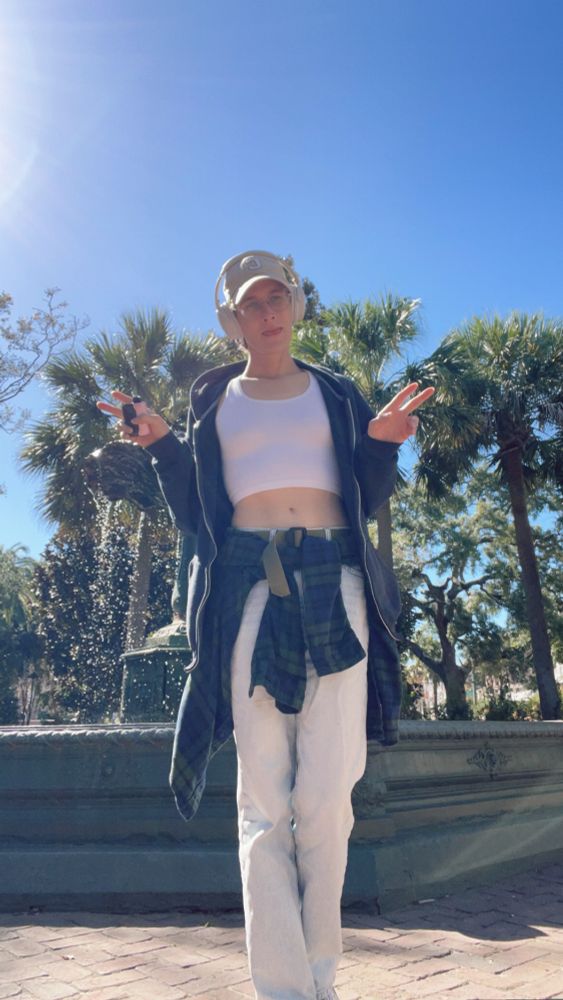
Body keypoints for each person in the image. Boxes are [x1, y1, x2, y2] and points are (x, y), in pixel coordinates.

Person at [97, 251, 434, 1000]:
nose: (268, 310)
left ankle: (320, 976)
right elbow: (196, 516)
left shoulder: (335, 393)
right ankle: (284, 989)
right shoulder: (214, 402)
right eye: (252, 303)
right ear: (234, 321)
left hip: (335, 582)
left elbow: (365, 496)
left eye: (277, 296)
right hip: (248, 588)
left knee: (327, 797)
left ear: (295, 305)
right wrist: (162, 447)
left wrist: (381, 444)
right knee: (263, 802)